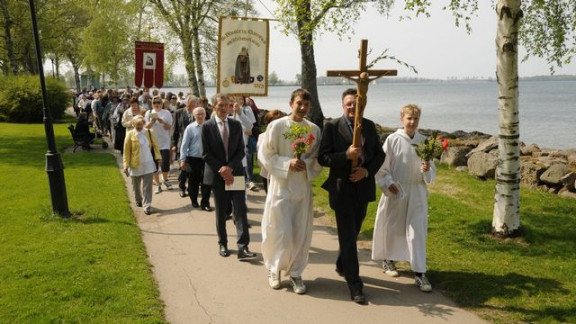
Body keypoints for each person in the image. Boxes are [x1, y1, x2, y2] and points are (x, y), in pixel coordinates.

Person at [317, 88, 386, 304]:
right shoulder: (332, 127)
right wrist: (345, 156)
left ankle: (341, 264)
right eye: (349, 104)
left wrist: (366, 171)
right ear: (342, 105)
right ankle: (355, 286)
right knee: (348, 238)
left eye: (356, 104)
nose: (353, 107)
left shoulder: (368, 125)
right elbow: (323, 158)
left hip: (363, 188)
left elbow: (379, 154)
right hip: (342, 189)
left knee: (353, 233)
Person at [258, 89, 322, 295]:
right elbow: (266, 153)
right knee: (280, 230)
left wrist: (306, 163)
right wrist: (287, 163)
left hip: (302, 187)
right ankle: (274, 269)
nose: (302, 108)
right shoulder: (277, 126)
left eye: (306, 105)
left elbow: (317, 157)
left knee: (299, 232)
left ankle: (296, 272)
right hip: (281, 185)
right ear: (291, 103)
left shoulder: (313, 130)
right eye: (299, 103)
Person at [371, 104, 436, 293]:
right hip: (396, 189)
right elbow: (382, 167)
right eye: (409, 118)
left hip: (417, 190)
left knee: (417, 231)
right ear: (402, 119)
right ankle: (388, 260)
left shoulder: (424, 141)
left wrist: (427, 170)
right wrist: (388, 182)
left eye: (415, 118)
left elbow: (431, 170)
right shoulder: (393, 140)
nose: (412, 122)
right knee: (394, 227)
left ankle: (419, 272)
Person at [201, 93, 256, 260]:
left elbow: (241, 150)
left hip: (235, 174)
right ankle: (223, 243)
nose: (225, 108)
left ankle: (243, 247)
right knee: (221, 211)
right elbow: (205, 154)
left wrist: (230, 168)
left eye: (227, 105)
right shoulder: (207, 126)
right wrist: (222, 169)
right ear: (213, 106)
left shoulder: (235, 125)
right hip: (218, 176)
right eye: (221, 105)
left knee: (240, 210)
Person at [123, 116, 161, 215]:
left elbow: (156, 145)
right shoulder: (130, 134)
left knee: (147, 186)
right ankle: (138, 199)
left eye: (141, 124)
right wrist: (125, 165)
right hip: (135, 164)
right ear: (133, 125)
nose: (139, 126)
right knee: (136, 185)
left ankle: (147, 205)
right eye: (137, 124)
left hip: (148, 162)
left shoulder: (149, 132)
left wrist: (158, 157)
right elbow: (126, 151)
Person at [179, 107, 213, 211]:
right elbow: (184, 145)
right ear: (194, 116)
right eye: (198, 114)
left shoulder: (210, 126)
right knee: (193, 183)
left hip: (207, 159)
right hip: (193, 159)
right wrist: (182, 159)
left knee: (207, 182)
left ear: (205, 115)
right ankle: (194, 200)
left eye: (202, 114)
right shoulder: (190, 128)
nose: (200, 116)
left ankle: (205, 203)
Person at [145, 96, 174, 194]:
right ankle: (158, 184)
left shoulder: (167, 113)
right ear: (152, 104)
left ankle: (165, 180)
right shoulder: (148, 113)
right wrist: (152, 122)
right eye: (154, 102)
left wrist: (161, 121)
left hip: (164, 142)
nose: (156, 104)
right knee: (154, 164)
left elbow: (169, 127)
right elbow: (145, 127)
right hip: (152, 143)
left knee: (165, 163)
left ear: (162, 103)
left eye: (158, 102)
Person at [172, 95, 197, 197]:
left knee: (193, 169)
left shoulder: (198, 113)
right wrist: (173, 144)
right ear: (187, 103)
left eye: (194, 104)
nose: (192, 105)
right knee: (183, 168)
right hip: (181, 143)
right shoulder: (178, 112)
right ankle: (182, 187)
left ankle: (191, 188)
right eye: (191, 103)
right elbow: (174, 129)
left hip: (195, 145)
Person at [257, 109, 285, 194]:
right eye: (272, 122)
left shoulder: (286, 137)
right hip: (267, 173)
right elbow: (260, 157)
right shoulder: (262, 136)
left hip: (282, 173)